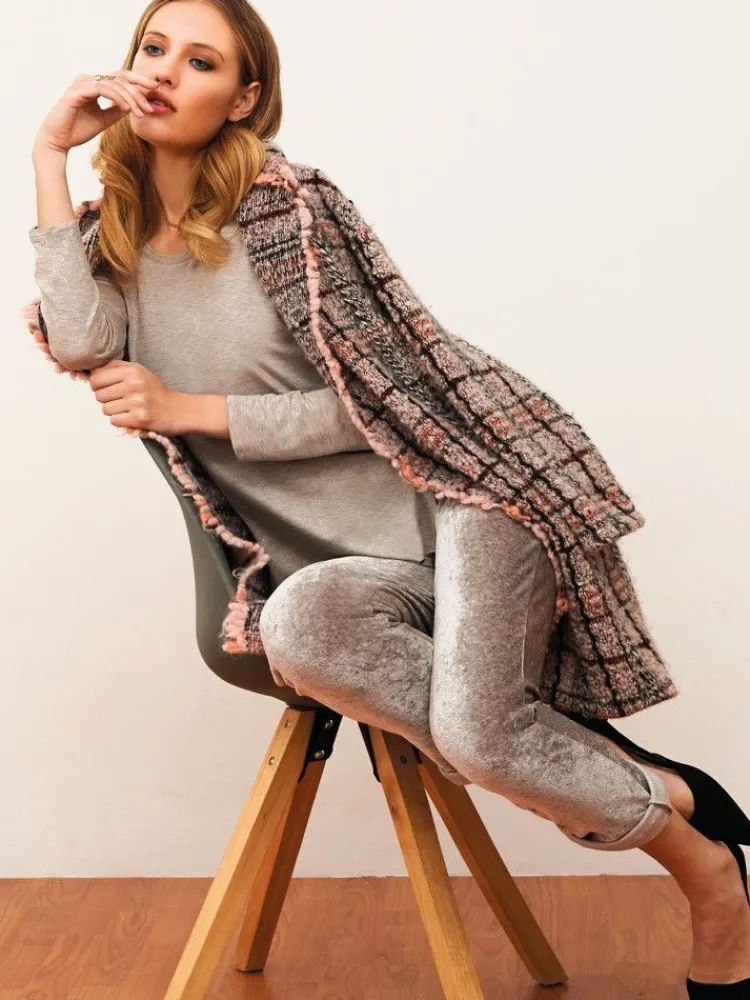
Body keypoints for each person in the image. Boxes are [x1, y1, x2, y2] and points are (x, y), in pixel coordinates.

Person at [28, 0, 749, 994]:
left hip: (465, 493)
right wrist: (48, 155)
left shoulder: (289, 213)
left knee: (481, 735)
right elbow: (77, 341)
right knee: (297, 626)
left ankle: (707, 874)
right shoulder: (108, 244)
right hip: (356, 562)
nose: (163, 71)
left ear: (241, 99)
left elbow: (385, 401)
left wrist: (189, 408)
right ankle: (659, 785)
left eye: (200, 61)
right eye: (153, 48)